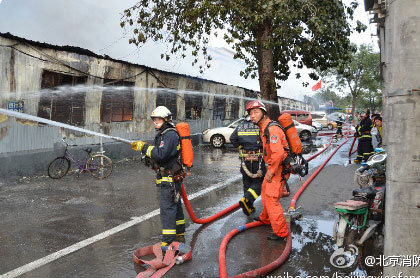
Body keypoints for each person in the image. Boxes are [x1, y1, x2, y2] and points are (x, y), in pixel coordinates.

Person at [131, 106, 186, 247]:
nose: (155, 122)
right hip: (170, 178)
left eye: (159, 119)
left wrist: (144, 147)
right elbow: (160, 155)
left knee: (167, 210)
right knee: (175, 207)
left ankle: (167, 244)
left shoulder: (170, 135)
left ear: (166, 119)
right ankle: (180, 237)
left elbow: (161, 154)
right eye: (154, 119)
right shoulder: (163, 134)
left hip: (169, 180)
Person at [246, 100, 290, 240]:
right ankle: (266, 219)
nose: (252, 116)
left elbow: (277, 154)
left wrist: (271, 172)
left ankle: (281, 233)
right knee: (265, 190)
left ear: (263, 113)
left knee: (271, 199)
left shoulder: (272, 129)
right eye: (250, 113)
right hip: (274, 166)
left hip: (279, 168)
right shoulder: (263, 127)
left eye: (256, 112)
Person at [230, 116, 267, 216]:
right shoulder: (259, 126)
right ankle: (246, 200)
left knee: (247, 183)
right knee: (260, 182)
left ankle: (248, 208)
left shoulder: (241, 126)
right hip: (258, 159)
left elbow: (232, 139)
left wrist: (241, 147)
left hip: (245, 159)